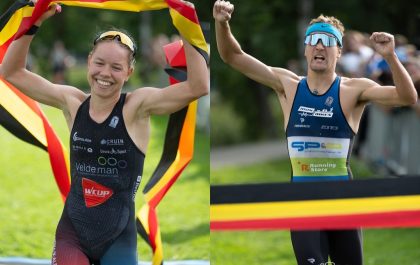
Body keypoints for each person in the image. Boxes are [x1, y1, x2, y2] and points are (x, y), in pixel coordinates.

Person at [0, 1, 208, 265]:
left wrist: (186, 24)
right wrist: (34, 22)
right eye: (99, 63)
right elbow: (11, 71)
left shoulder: (137, 107)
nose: (105, 74)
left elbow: (198, 86)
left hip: (118, 238)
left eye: (116, 67)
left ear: (129, 72)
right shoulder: (72, 102)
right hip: (72, 234)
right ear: (89, 62)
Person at [213, 0, 417, 264]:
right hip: (303, 199)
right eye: (314, 39)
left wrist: (390, 56)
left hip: (343, 198)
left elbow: (407, 97)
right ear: (306, 49)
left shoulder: (353, 89)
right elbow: (233, 56)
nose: (320, 45)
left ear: (339, 52)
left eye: (327, 40)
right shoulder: (287, 85)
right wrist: (222, 23)